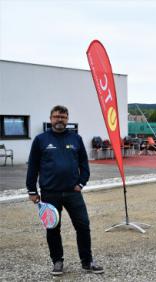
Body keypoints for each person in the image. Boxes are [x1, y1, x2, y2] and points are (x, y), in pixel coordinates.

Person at [26, 105, 104, 276]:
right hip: (49, 193)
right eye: (56, 116)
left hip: (73, 192)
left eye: (63, 117)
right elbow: (33, 166)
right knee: (53, 229)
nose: (59, 119)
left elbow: (84, 164)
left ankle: (87, 261)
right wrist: (32, 191)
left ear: (67, 119)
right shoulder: (41, 140)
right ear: (51, 118)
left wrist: (81, 183)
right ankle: (57, 261)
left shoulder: (76, 139)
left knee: (83, 226)